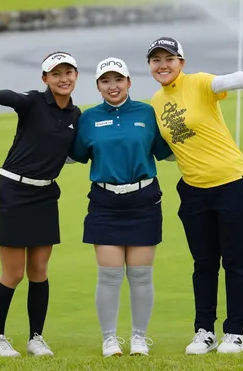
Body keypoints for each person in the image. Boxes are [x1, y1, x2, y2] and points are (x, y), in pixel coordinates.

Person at [145, 37, 243, 355]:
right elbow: (174, 148)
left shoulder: (200, 83)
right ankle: (204, 332)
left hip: (233, 183)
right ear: (150, 65)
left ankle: (234, 333)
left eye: (169, 59)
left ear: (181, 63)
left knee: (234, 260)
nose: (163, 65)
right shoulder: (156, 102)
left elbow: (233, 80)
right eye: (156, 60)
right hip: (194, 191)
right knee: (203, 264)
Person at [0, 52, 82, 358]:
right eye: (56, 74)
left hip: (45, 195)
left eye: (68, 72)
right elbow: (13, 98)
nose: (63, 78)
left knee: (39, 270)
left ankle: (36, 338)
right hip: (13, 192)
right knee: (13, 273)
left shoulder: (75, 115)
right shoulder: (33, 102)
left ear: (76, 75)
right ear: (45, 79)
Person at [68, 57, 173, 357]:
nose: (112, 86)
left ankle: (139, 338)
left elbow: (167, 152)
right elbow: (73, 156)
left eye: (118, 80)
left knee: (141, 275)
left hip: (143, 199)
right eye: (105, 81)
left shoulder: (146, 112)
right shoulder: (89, 118)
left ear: (129, 82)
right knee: (109, 275)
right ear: (98, 86)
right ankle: (109, 339)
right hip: (105, 202)